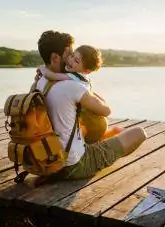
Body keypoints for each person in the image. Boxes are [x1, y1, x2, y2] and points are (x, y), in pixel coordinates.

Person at [33, 30, 147, 180]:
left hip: (47, 160)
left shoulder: (38, 83)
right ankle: (100, 159)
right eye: (70, 55)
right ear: (55, 57)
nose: (70, 61)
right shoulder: (72, 86)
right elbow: (106, 111)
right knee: (139, 133)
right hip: (73, 165)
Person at [38, 44, 123, 143]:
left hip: (91, 123)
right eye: (72, 55)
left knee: (89, 136)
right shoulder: (83, 78)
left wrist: (43, 68)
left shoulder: (73, 77)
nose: (71, 60)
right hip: (93, 121)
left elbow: (53, 76)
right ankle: (111, 133)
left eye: (76, 61)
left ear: (86, 71)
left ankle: (109, 135)